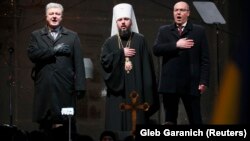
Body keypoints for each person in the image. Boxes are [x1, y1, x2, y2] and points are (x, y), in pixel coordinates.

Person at [100, 3, 158, 138]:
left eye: (126, 19)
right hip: (117, 96)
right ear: (116, 22)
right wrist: (121, 53)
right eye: (120, 20)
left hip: (137, 94)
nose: (123, 23)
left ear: (131, 21)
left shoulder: (140, 40)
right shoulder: (110, 43)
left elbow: (148, 70)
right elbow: (105, 63)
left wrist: (148, 94)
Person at [27, 2, 86, 134]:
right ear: (46, 16)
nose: (54, 16)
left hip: (65, 85)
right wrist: (53, 50)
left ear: (62, 16)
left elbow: (79, 63)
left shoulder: (72, 36)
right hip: (45, 85)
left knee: (66, 121)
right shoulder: (36, 35)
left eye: (57, 14)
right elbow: (32, 54)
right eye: (51, 14)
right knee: (45, 123)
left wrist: (80, 86)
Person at [153, 1, 210, 125]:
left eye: (182, 10)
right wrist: (176, 45)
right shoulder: (164, 31)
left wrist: (203, 81)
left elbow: (205, 59)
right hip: (170, 84)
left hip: (191, 83)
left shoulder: (198, 31)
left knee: (195, 120)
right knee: (170, 121)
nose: (178, 13)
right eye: (176, 10)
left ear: (188, 13)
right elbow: (156, 50)